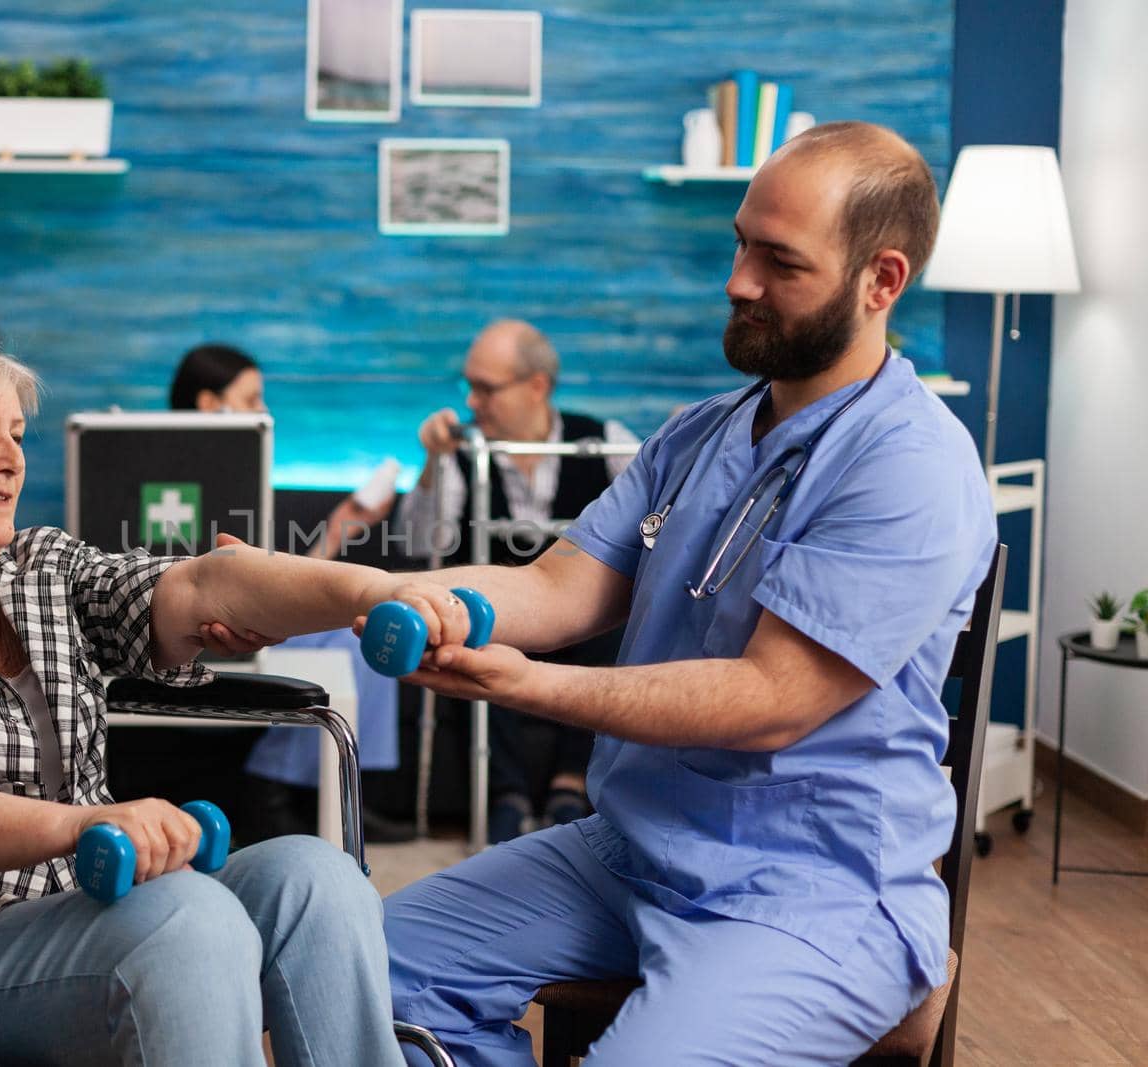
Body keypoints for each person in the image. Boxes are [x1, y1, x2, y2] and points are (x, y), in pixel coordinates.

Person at [373, 123, 998, 1063]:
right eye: (741, 242)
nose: (738, 280)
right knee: (363, 964)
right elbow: (557, 586)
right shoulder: (700, 433)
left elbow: (769, 701)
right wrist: (400, 595)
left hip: (808, 889)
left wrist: (527, 685)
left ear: (882, 280)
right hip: (630, 847)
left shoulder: (911, 463)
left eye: (778, 260)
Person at [0, 323, 416, 1067]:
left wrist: (379, 591)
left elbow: (201, 583)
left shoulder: (43, 569)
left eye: (18, 436)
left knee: (318, 883)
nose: (12, 460)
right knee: (187, 918)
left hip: (86, 905)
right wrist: (83, 822)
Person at [394, 319, 641, 842]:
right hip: (504, 612)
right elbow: (418, 543)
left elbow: (660, 516)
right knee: (478, 629)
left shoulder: (604, 442)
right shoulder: (461, 453)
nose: (473, 402)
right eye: (470, 387)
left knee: (616, 616)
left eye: (486, 388)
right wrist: (432, 464)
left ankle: (570, 786)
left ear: (536, 386)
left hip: (583, 621)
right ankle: (504, 795)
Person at [169, 342, 414, 843]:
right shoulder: (183, 473)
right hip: (197, 616)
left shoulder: (248, 474)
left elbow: (268, 582)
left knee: (363, 635)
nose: (264, 411)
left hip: (244, 608)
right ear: (210, 404)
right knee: (348, 642)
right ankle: (274, 788)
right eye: (253, 397)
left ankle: (330, 789)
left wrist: (342, 529)